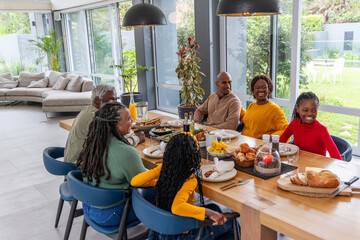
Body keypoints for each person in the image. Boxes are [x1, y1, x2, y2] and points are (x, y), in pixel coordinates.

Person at [131, 133, 236, 239]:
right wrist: (207, 212)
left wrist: (160, 173)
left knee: (215, 208)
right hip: (183, 233)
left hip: (163, 228)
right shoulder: (190, 179)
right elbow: (177, 207)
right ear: (193, 157)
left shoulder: (166, 171)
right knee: (231, 222)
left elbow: (135, 181)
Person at [77, 102, 147, 226]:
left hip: (89, 208)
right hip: (111, 215)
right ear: (115, 124)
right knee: (162, 191)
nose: (133, 121)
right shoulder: (127, 152)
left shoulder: (93, 144)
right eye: (128, 118)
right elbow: (144, 183)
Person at [64, 84, 145, 163]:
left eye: (116, 99)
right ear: (97, 100)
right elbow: (114, 148)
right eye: (111, 99)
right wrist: (136, 138)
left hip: (75, 164)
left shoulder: (89, 110)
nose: (115, 103)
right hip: (79, 169)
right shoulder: (96, 118)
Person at [280, 92, 341, 160]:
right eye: (305, 110)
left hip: (317, 168)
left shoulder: (321, 130)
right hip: (299, 165)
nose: (309, 114)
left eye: (313, 110)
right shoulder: (294, 124)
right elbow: (280, 143)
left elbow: (337, 158)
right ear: (297, 109)